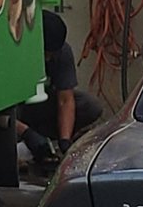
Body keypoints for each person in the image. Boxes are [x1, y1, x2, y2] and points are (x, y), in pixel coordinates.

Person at [15, 9, 107, 168]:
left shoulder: (62, 52)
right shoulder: (12, 54)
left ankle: (48, 144)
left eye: (52, 55)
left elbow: (66, 100)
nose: (48, 59)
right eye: (46, 54)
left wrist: (65, 140)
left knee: (89, 105)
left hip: (38, 104)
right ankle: (19, 144)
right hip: (13, 110)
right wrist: (26, 133)